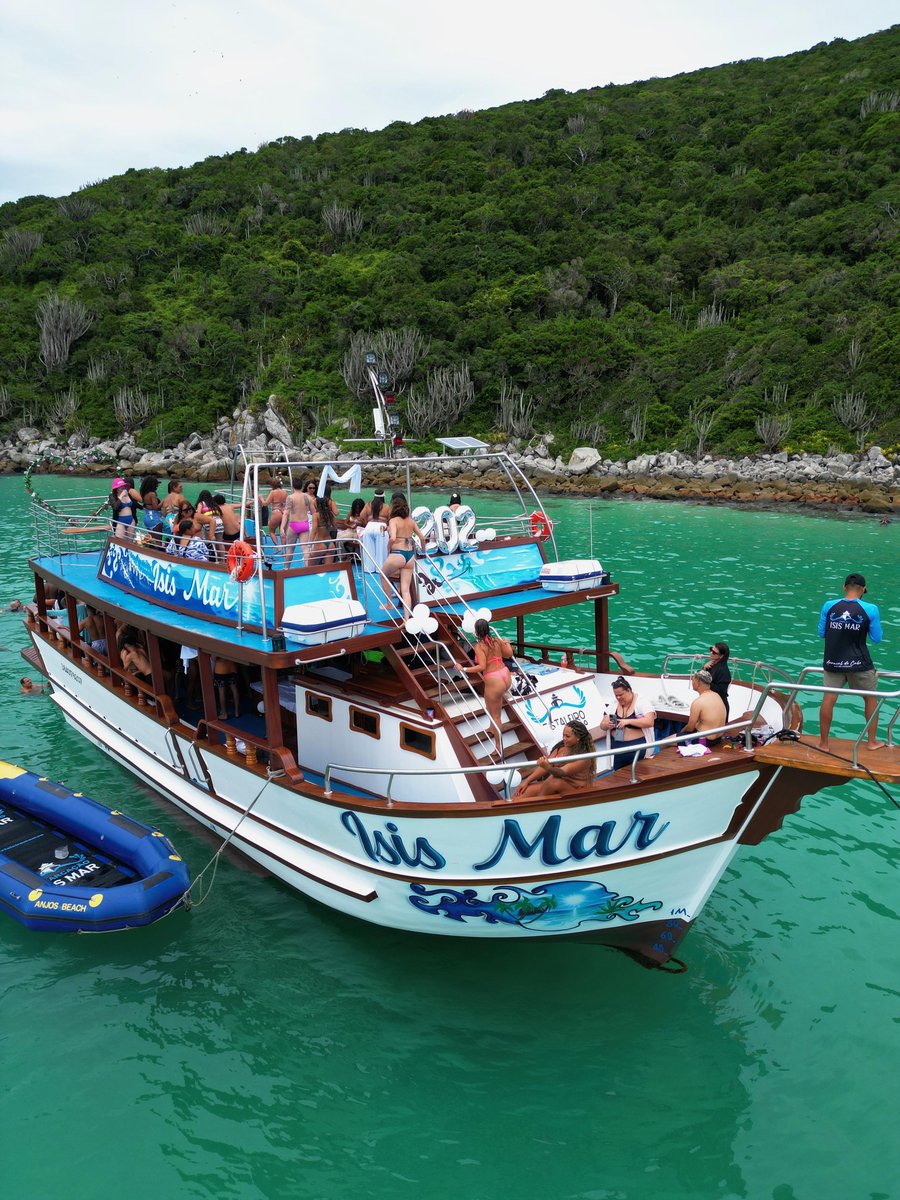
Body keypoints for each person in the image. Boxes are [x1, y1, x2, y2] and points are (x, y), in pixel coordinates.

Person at [817, 572, 884, 750]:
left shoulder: (829, 606)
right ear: (863, 590)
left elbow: (821, 633)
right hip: (859, 663)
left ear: (844, 587)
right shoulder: (870, 609)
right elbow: (877, 638)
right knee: (871, 699)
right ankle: (871, 742)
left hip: (832, 661)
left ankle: (824, 744)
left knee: (828, 699)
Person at [458, 618, 513, 758]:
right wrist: (506, 643)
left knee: (495, 715)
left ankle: (499, 747)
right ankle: (491, 727)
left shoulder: (479, 646)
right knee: (495, 705)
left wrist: (463, 668)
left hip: (493, 678)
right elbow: (509, 654)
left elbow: (481, 667)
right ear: (488, 629)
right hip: (505, 675)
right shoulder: (496, 640)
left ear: (476, 632)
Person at [513, 721, 596, 797]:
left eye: (567, 736)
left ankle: (538, 805)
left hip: (575, 788)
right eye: (563, 735)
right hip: (556, 783)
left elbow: (560, 772)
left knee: (553, 781)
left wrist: (546, 767)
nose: (564, 738)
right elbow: (545, 765)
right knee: (523, 792)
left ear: (578, 738)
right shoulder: (560, 746)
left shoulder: (584, 757)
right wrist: (526, 782)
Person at [599, 676, 656, 771]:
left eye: (621, 695)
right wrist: (607, 724)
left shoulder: (642, 702)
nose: (618, 698)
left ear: (629, 690)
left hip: (637, 748)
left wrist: (628, 721)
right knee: (618, 776)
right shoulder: (613, 705)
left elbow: (649, 722)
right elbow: (602, 725)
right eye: (616, 695)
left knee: (638, 774)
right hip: (618, 748)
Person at [384, 497, 427, 613]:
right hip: (410, 555)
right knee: (405, 590)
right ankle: (407, 619)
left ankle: (389, 603)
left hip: (398, 553)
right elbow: (422, 537)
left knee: (383, 575)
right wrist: (423, 551)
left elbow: (393, 538)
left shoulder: (393, 521)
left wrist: (388, 548)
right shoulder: (410, 521)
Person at [682, 670, 728, 744]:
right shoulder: (717, 695)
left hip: (704, 740)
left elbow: (690, 728)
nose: (692, 682)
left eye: (693, 679)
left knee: (665, 742)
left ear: (698, 684)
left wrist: (681, 732)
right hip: (718, 738)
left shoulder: (698, 702)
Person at [281, 480, 315, 567]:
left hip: (294, 525)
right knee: (305, 548)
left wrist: (282, 527)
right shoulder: (307, 497)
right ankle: (308, 567)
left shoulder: (290, 497)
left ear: (293, 487)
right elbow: (314, 512)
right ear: (302, 486)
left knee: (290, 549)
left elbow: (286, 513)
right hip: (304, 524)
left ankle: (286, 568)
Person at [704, 641, 732, 718]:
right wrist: (704, 668)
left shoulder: (723, 671)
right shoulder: (712, 665)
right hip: (711, 702)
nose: (710, 653)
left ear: (721, 656)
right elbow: (701, 676)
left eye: (714, 652)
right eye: (711, 649)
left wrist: (705, 681)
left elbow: (721, 691)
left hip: (719, 707)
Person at [261, 477, 288, 546]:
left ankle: (277, 546)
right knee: (283, 531)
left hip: (276, 512)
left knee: (271, 531)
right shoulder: (285, 492)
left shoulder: (273, 492)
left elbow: (265, 503)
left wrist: (261, 498)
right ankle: (284, 550)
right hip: (284, 512)